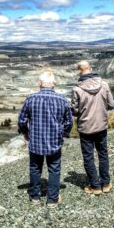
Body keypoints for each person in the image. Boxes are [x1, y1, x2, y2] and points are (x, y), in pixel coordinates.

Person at [18, 71, 73, 208]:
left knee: (35, 168)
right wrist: (63, 134)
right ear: (53, 84)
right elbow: (69, 122)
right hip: (54, 141)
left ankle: (35, 197)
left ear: (40, 83)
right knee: (54, 169)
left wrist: (25, 133)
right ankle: (52, 200)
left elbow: (22, 120)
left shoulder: (31, 99)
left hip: (35, 141)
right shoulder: (62, 100)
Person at [71, 61, 114, 195]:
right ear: (91, 69)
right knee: (103, 154)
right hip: (101, 125)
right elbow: (112, 105)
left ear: (79, 71)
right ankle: (106, 183)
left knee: (88, 156)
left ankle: (95, 186)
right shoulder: (104, 85)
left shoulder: (77, 90)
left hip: (86, 127)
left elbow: (74, 110)